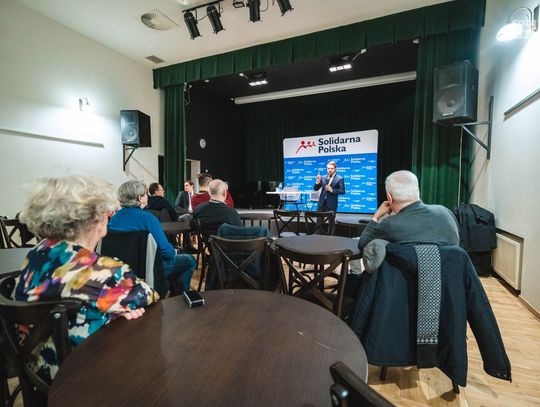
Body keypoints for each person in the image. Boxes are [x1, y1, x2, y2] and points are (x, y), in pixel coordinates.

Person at [15, 175, 159, 382]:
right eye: (106, 211)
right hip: (80, 378)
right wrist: (117, 310)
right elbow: (149, 294)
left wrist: (111, 313)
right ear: (95, 219)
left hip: (36, 372)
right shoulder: (104, 271)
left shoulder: (37, 253)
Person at [108, 180, 196, 292]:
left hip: (121, 270)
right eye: (146, 194)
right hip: (148, 270)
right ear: (140, 198)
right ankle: (178, 298)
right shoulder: (148, 218)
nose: (147, 197)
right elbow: (166, 252)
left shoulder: (114, 219)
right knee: (189, 260)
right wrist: (174, 252)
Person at [357, 170, 459, 252]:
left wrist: (376, 216)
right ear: (417, 191)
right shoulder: (445, 212)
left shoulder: (390, 224)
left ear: (389, 198)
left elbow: (363, 244)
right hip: (450, 272)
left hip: (407, 273)